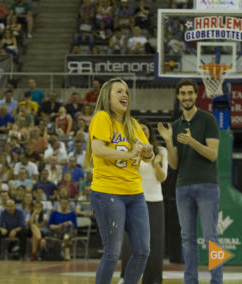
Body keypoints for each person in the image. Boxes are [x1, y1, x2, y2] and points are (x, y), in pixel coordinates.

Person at [85, 78, 153, 284]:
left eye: (127, 92)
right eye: (119, 92)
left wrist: (148, 153)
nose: (125, 95)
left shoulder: (132, 124)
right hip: (108, 192)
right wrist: (131, 153)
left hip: (135, 193)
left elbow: (146, 156)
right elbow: (98, 150)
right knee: (112, 253)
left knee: (143, 251)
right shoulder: (102, 117)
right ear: (107, 96)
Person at [157, 78, 222, 284]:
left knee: (212, 237)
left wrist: (192, 141)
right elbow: (174, 165)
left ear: (196, 95)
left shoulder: (208, 120)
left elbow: (213, 155)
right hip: (183, 187)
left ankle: (217, 281)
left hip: (207, 185)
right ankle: (190, 281)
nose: (186, 96)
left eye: (190, 93)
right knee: (187, 239)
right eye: (183, 93)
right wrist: (168, 141)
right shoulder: (175, 126)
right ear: (178, 96)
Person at [119, 118, 168, 284]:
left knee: (155, 243)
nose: (142, 132)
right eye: (139, 129)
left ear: (150, 132)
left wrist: (156, 163)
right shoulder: (129, 151)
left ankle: (153, 280)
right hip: (133, 200)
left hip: (155, 201)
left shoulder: (161, 151)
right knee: (128, 242)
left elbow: (162, 178)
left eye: (145, 129)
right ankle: (126, 277)